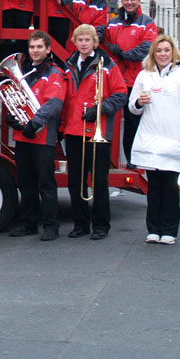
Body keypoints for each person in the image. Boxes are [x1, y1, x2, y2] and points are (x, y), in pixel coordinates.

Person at [128, 35, 180, 245]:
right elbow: (132, 107)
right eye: (159, 51)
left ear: (173, 52)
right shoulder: (144, 75)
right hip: (150, 135)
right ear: (153, 54)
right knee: (154, 185)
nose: (163, 54)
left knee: (170, 185)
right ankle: (153, 228)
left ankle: (169, 229)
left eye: (167, 50)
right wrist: (139, 102)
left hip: (174, 136)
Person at [61, 24, 127, 240]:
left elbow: (120, 94)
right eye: (80, 39)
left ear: (94, 42)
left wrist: (99, 110)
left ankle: (100, 225)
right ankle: (80, 224)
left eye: (87, 39)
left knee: (99, 180)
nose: (83, 43)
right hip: (73, 130)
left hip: (97, 130)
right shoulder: (67, 65)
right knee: (75, 181)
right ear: (74, 41)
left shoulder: (107, 65)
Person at [4, 30, 66, 240]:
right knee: (26, 182)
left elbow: (54, 104)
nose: (35, 50)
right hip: (22, 136)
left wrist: (34, 123)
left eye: (39, 47)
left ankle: (51, 226)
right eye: (32, 47)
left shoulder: (55, 73)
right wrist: (12, 117)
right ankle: (28, 223)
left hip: (43, 136)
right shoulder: (24, 72)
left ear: (48, 50)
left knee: (46, 183)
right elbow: (16, 100)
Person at [102, 0, 157, 166]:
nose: (129, 2)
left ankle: (133, 159)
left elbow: (147, 48)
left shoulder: (147, 22)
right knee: (109, 122)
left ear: (139, 1)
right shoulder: (113, 22)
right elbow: (106, 43)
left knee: (133, 123)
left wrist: (123, 54)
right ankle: (108, 158)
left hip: (136, 80)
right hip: (115, 80)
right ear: (122, 1)